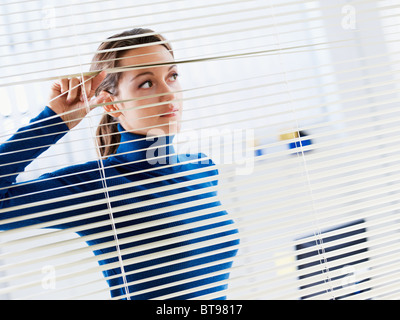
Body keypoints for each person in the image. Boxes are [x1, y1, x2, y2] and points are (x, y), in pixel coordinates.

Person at [0, 28, 239, 300]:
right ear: (112, 105)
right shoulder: (98, 185)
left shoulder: (203, 169)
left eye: (172, 76)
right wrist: (52, 121)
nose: (169, 93)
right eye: (147, 83)